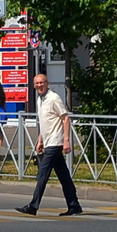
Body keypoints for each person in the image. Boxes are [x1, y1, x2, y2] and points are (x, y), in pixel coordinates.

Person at [17, 73, 83, 216]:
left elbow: (65, 118)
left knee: (42, 174)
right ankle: (74, 205)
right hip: (48, 142)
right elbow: (45, 122)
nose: (39, 85)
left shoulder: (54, 98)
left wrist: (66, 140)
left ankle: (33, 206)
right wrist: (40, 140)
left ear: (47, 83)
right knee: (63, 175)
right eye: (37, 83)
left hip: (56, 142)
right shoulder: (40, 100)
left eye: (42, 82)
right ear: (34, 86)